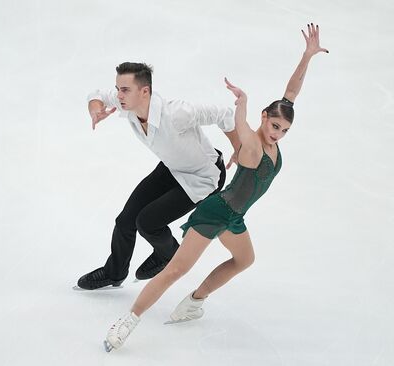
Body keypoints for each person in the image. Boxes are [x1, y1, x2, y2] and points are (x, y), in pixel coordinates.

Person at [103, 23, 329, 352]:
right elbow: (235, 122)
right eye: (275, 125)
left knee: (244, 259)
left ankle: (195, 300)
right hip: (215, 211)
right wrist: (242, 103)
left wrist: (307, 56)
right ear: (264, 118)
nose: (278, 133)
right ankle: (127, 322)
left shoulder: (273, 133)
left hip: (234, 217)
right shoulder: (252, 145)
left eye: (284, 130)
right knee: (176, 270)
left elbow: (291, 92)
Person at [78, 62, 242, 290]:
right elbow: (96, 95)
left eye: (124, 90)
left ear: (144, 91)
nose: (118, 95)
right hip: (172, 168)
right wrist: (95, 109)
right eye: (117, 89)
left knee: (147, 222)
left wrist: (239, 147)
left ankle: (168, 255)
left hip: (203, 177)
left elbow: (224, 114)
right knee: (125, 221)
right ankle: (114, 272)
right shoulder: (128, 101)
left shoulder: (176, 113)